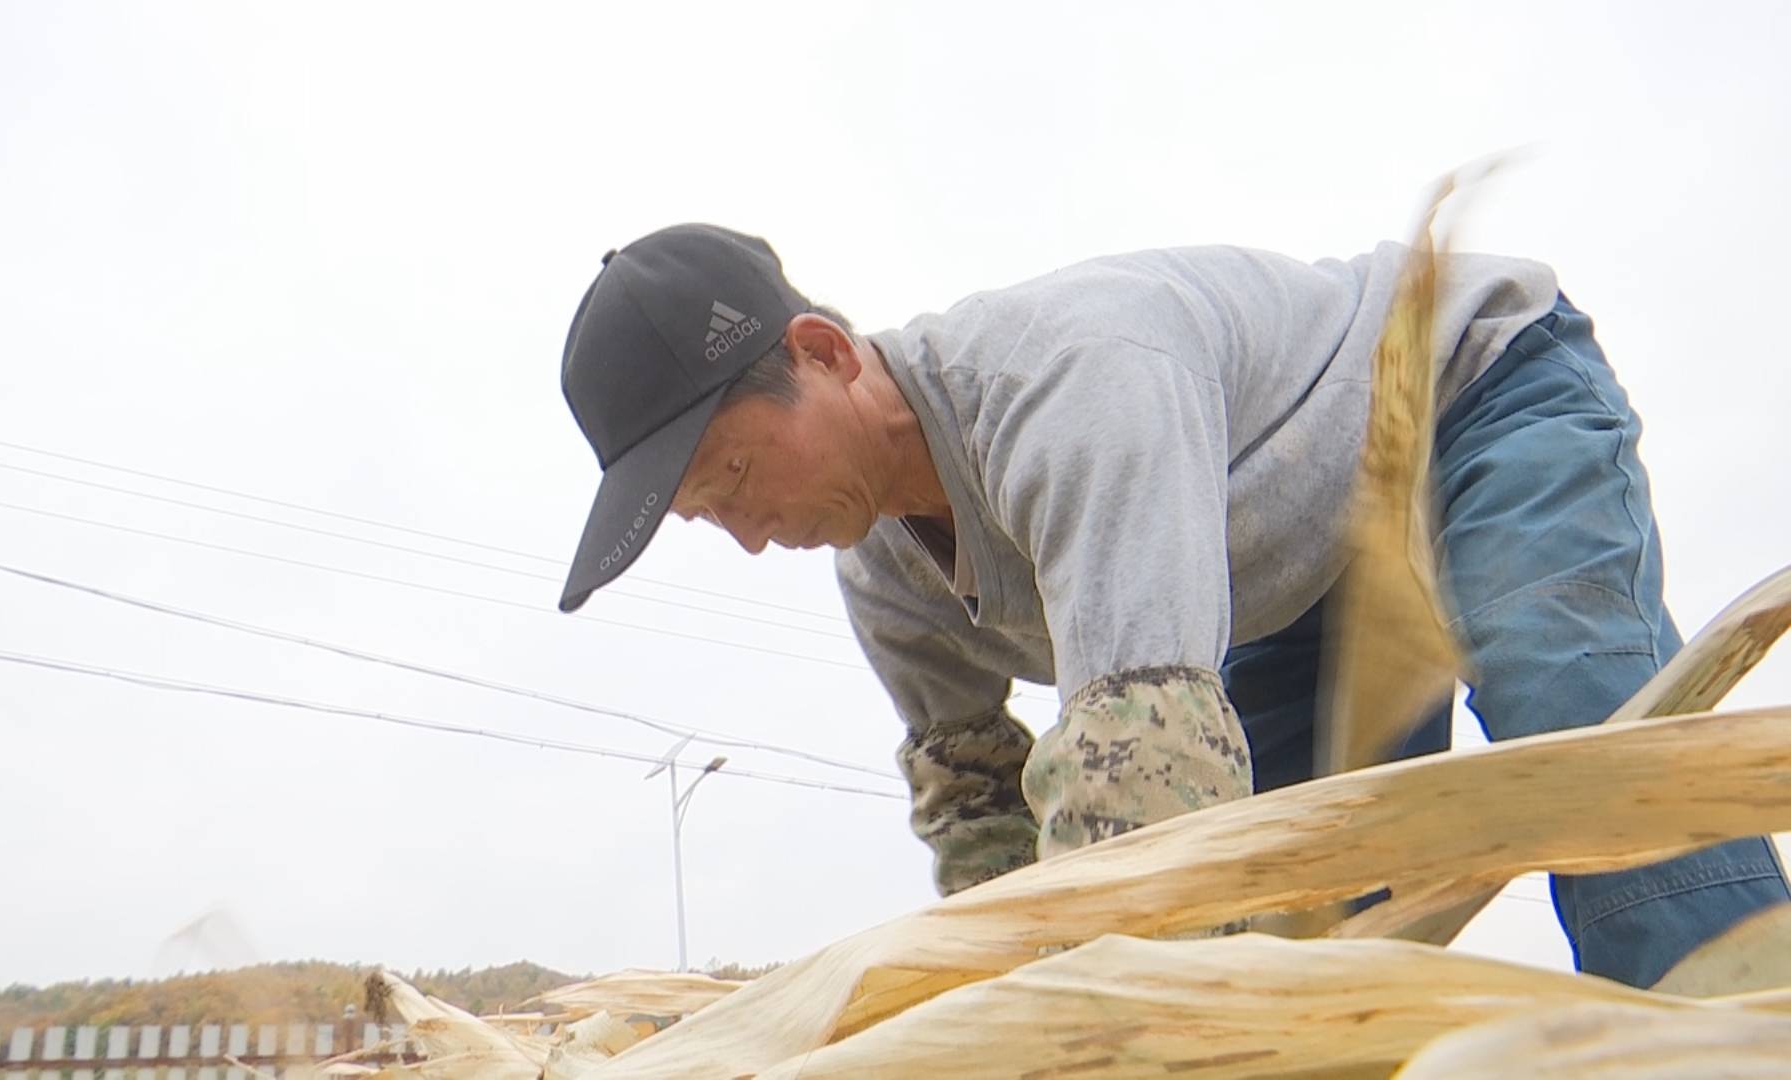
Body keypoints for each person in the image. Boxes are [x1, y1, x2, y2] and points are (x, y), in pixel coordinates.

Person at [553, 223, 1788, 989]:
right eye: (710, 519)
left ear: (821, 352)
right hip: (1298, 579)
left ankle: (1733, 1018)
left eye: (733, 476)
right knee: (1302, 928)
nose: (751, 533)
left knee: (1564, 702)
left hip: (1466, 398)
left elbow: (1143, 794)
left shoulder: (1068, 386)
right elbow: (981, 820)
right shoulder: (884, 575)